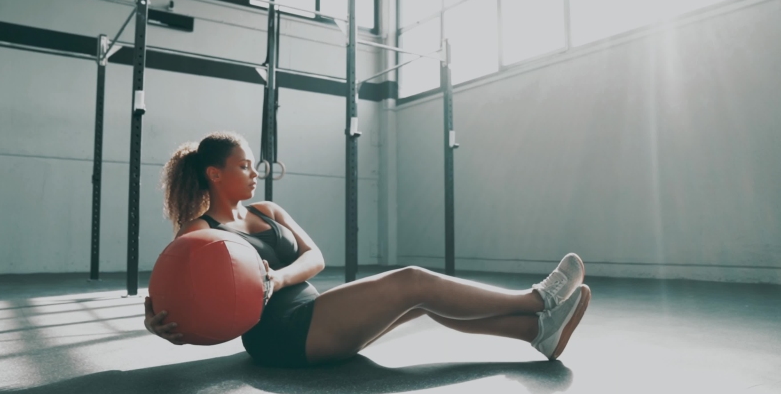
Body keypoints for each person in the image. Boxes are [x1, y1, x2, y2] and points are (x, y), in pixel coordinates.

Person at [144, 131, 591, 368]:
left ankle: (536, 333)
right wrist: (157, 321)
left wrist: (278, 277)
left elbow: (315, 257)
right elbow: (179, 293)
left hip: (313, 316)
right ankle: (539, 300)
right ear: (214, 174)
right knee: (413, 280)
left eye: (253, 165)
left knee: (421, 302)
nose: (254, 173)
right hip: (279, 339)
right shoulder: (197, 232)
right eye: (243, 166)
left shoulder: (268, 210)